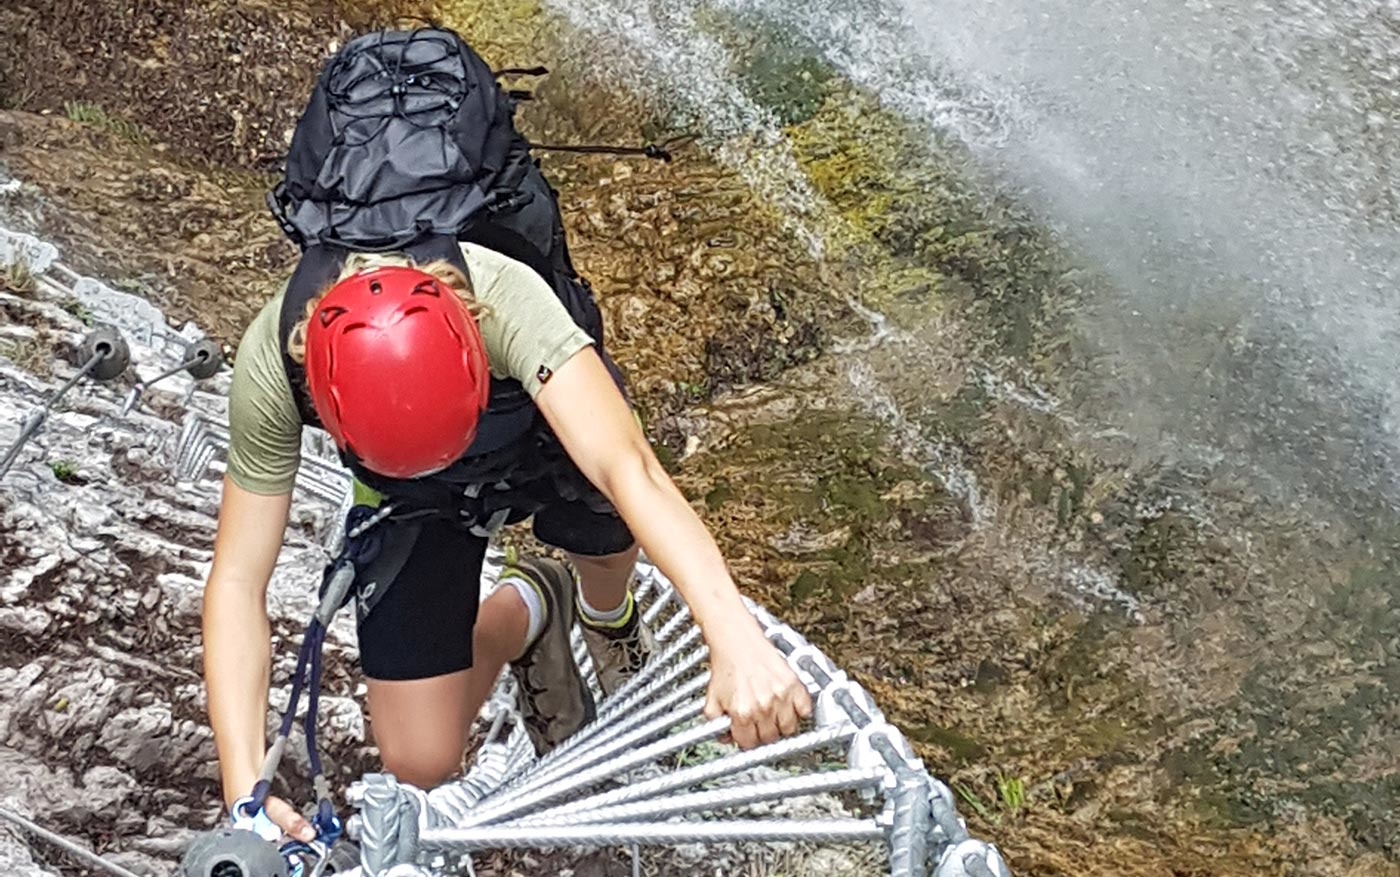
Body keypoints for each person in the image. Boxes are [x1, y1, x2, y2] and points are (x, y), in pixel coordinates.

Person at [203, 152, 814, 843]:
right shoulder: (271, 359)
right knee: (420, 758)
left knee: (604, 534)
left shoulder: (505, 294)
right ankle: (530, 607)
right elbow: (238, 578)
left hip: (533, 427)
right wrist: (243, 789)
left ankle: (603, 609)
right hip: (412, 488)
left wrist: (733, 634)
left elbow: (626, 468)